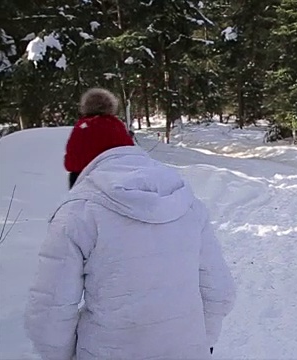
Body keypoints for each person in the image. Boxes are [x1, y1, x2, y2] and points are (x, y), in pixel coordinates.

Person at [24, 88, 236, 359]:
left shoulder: (78, 213)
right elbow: (220, 293)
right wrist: (199, 344)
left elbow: (49, 315)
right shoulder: (187, 201)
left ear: (80, 166)